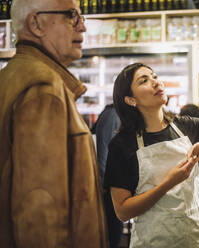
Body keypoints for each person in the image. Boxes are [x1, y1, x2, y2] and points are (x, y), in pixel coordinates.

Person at [104, 62, 199, 248]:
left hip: (196, 239)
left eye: (154, 76)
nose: (155, 82)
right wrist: (168, 183)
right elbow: (123, 211)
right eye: (144, 80)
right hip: (153, 243)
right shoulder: (122, 145)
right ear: (130, 99)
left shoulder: (186, 126)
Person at [0, 0, 108, 247]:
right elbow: (39, 209)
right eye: (72, 16)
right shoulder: (43, 88)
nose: (82, 27)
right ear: (35, 23)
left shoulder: (13, 77)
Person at [92, 104, 123, 248]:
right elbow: (105, 151)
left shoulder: (113, 114)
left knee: (113, 232)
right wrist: (106, 184)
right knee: (112, 234)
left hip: (111, 183)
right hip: (110, 185)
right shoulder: (113, 115)